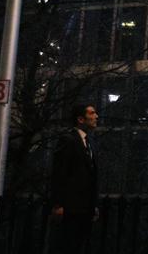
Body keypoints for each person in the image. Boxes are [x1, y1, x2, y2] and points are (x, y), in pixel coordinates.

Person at [50, 103, 99, 254]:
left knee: (77, 244)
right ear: (80, 119)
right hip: (72, 208)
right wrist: (58, 204)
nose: (96, 116)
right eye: (91, 113)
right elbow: (60, 172)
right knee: (69, 244)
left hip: (82, 207)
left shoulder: (86, 142)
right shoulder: (69, 140)